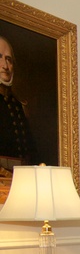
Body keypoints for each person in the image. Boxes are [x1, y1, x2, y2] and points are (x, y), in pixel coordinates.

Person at [0, 36, 39, 171]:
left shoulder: (18, 105)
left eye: (9, 59)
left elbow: (30, 150)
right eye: (0, 57)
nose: (5, 66)